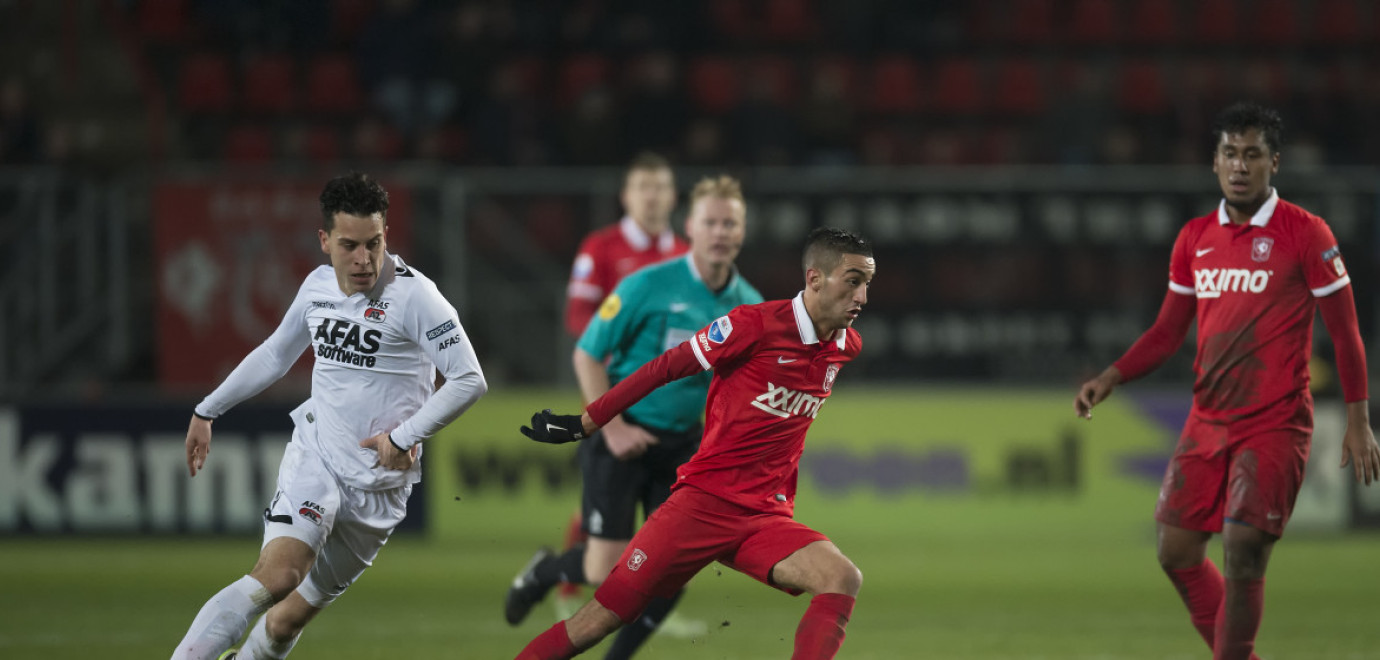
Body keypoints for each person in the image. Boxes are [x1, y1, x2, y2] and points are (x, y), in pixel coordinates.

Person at [1073, 102, 1380, 660]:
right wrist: (1112, 376)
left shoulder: (1307, 234)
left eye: (1253, 155)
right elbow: (1167, 332)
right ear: (1214, 164)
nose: (1240, 165)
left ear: (1274, 164)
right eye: (1230, 154)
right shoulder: (1195, 238)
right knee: (1176, 549)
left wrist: (1358, 422)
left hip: (1276, 421)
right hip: (1208, 418)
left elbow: (1347, 335)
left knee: (1242, 548)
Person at [512, 227, 875, 660]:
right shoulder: (753, 325)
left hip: (763, 517)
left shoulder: (845, 347)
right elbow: (664, 367)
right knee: (597, 621)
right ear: (815, 279)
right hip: (701, 507)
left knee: (842, 577)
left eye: (867, 284)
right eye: (853, 281)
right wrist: (587, 422)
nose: (862, 297)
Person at [170, 173, 487, 660]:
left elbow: (469, 379)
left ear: (385, 236)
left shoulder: (417, 298)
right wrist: (206, 410)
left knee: (285, 620)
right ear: (324, 241)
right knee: (279, 575)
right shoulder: (317, 287)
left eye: (373, 244)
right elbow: (277, 354)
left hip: (379, 490)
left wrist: (403, 437)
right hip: (316, 455)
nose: (363, 259)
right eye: (349, 245)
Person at [504, 176, 763, 658]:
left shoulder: (750, 305)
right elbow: (588, 354)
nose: (721, 232)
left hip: (685, 448)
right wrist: (614, 426)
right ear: (691, 227)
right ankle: (545, 571)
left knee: (673, 567)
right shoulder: (646, 284)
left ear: (743, 230)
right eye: (711, 221)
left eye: (731, 223)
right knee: (606, 569)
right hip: (620, 440)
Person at [555, 151, 688, 616]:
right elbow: (578, 315)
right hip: (615, 392)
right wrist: (624, 362)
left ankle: (640, 610)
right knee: (607, 503)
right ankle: (569, 589)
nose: (652, 198)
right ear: (626, 196)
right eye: (643, 188)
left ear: (673, 196)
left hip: (670, 401)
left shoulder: (686, 254)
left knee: (661, 518)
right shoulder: (603, 247)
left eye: (660, 188)